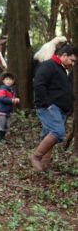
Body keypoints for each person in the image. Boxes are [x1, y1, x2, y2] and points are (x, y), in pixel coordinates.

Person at [30, 43, 76, 172]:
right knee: (58, 132)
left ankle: (44, 167)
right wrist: (47, 104)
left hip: (59, 109)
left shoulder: (60, 68)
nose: (73, 63)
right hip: (50, 107)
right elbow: (39, 84)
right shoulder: (48, 65)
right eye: (72, 60)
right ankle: (35, 157)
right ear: (64, 55)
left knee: (47, 136)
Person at [0, 72, 20, 141]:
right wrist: (12, 100)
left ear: (13, 81)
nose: (9, 81)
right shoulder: (2, 89)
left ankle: (2, 139)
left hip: (7, 111)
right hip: (1, 110)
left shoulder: (11, 90)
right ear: (3, 81)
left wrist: (14, 100)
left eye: (10, 80)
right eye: (7, 79)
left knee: (5, 126)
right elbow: (2, 98)